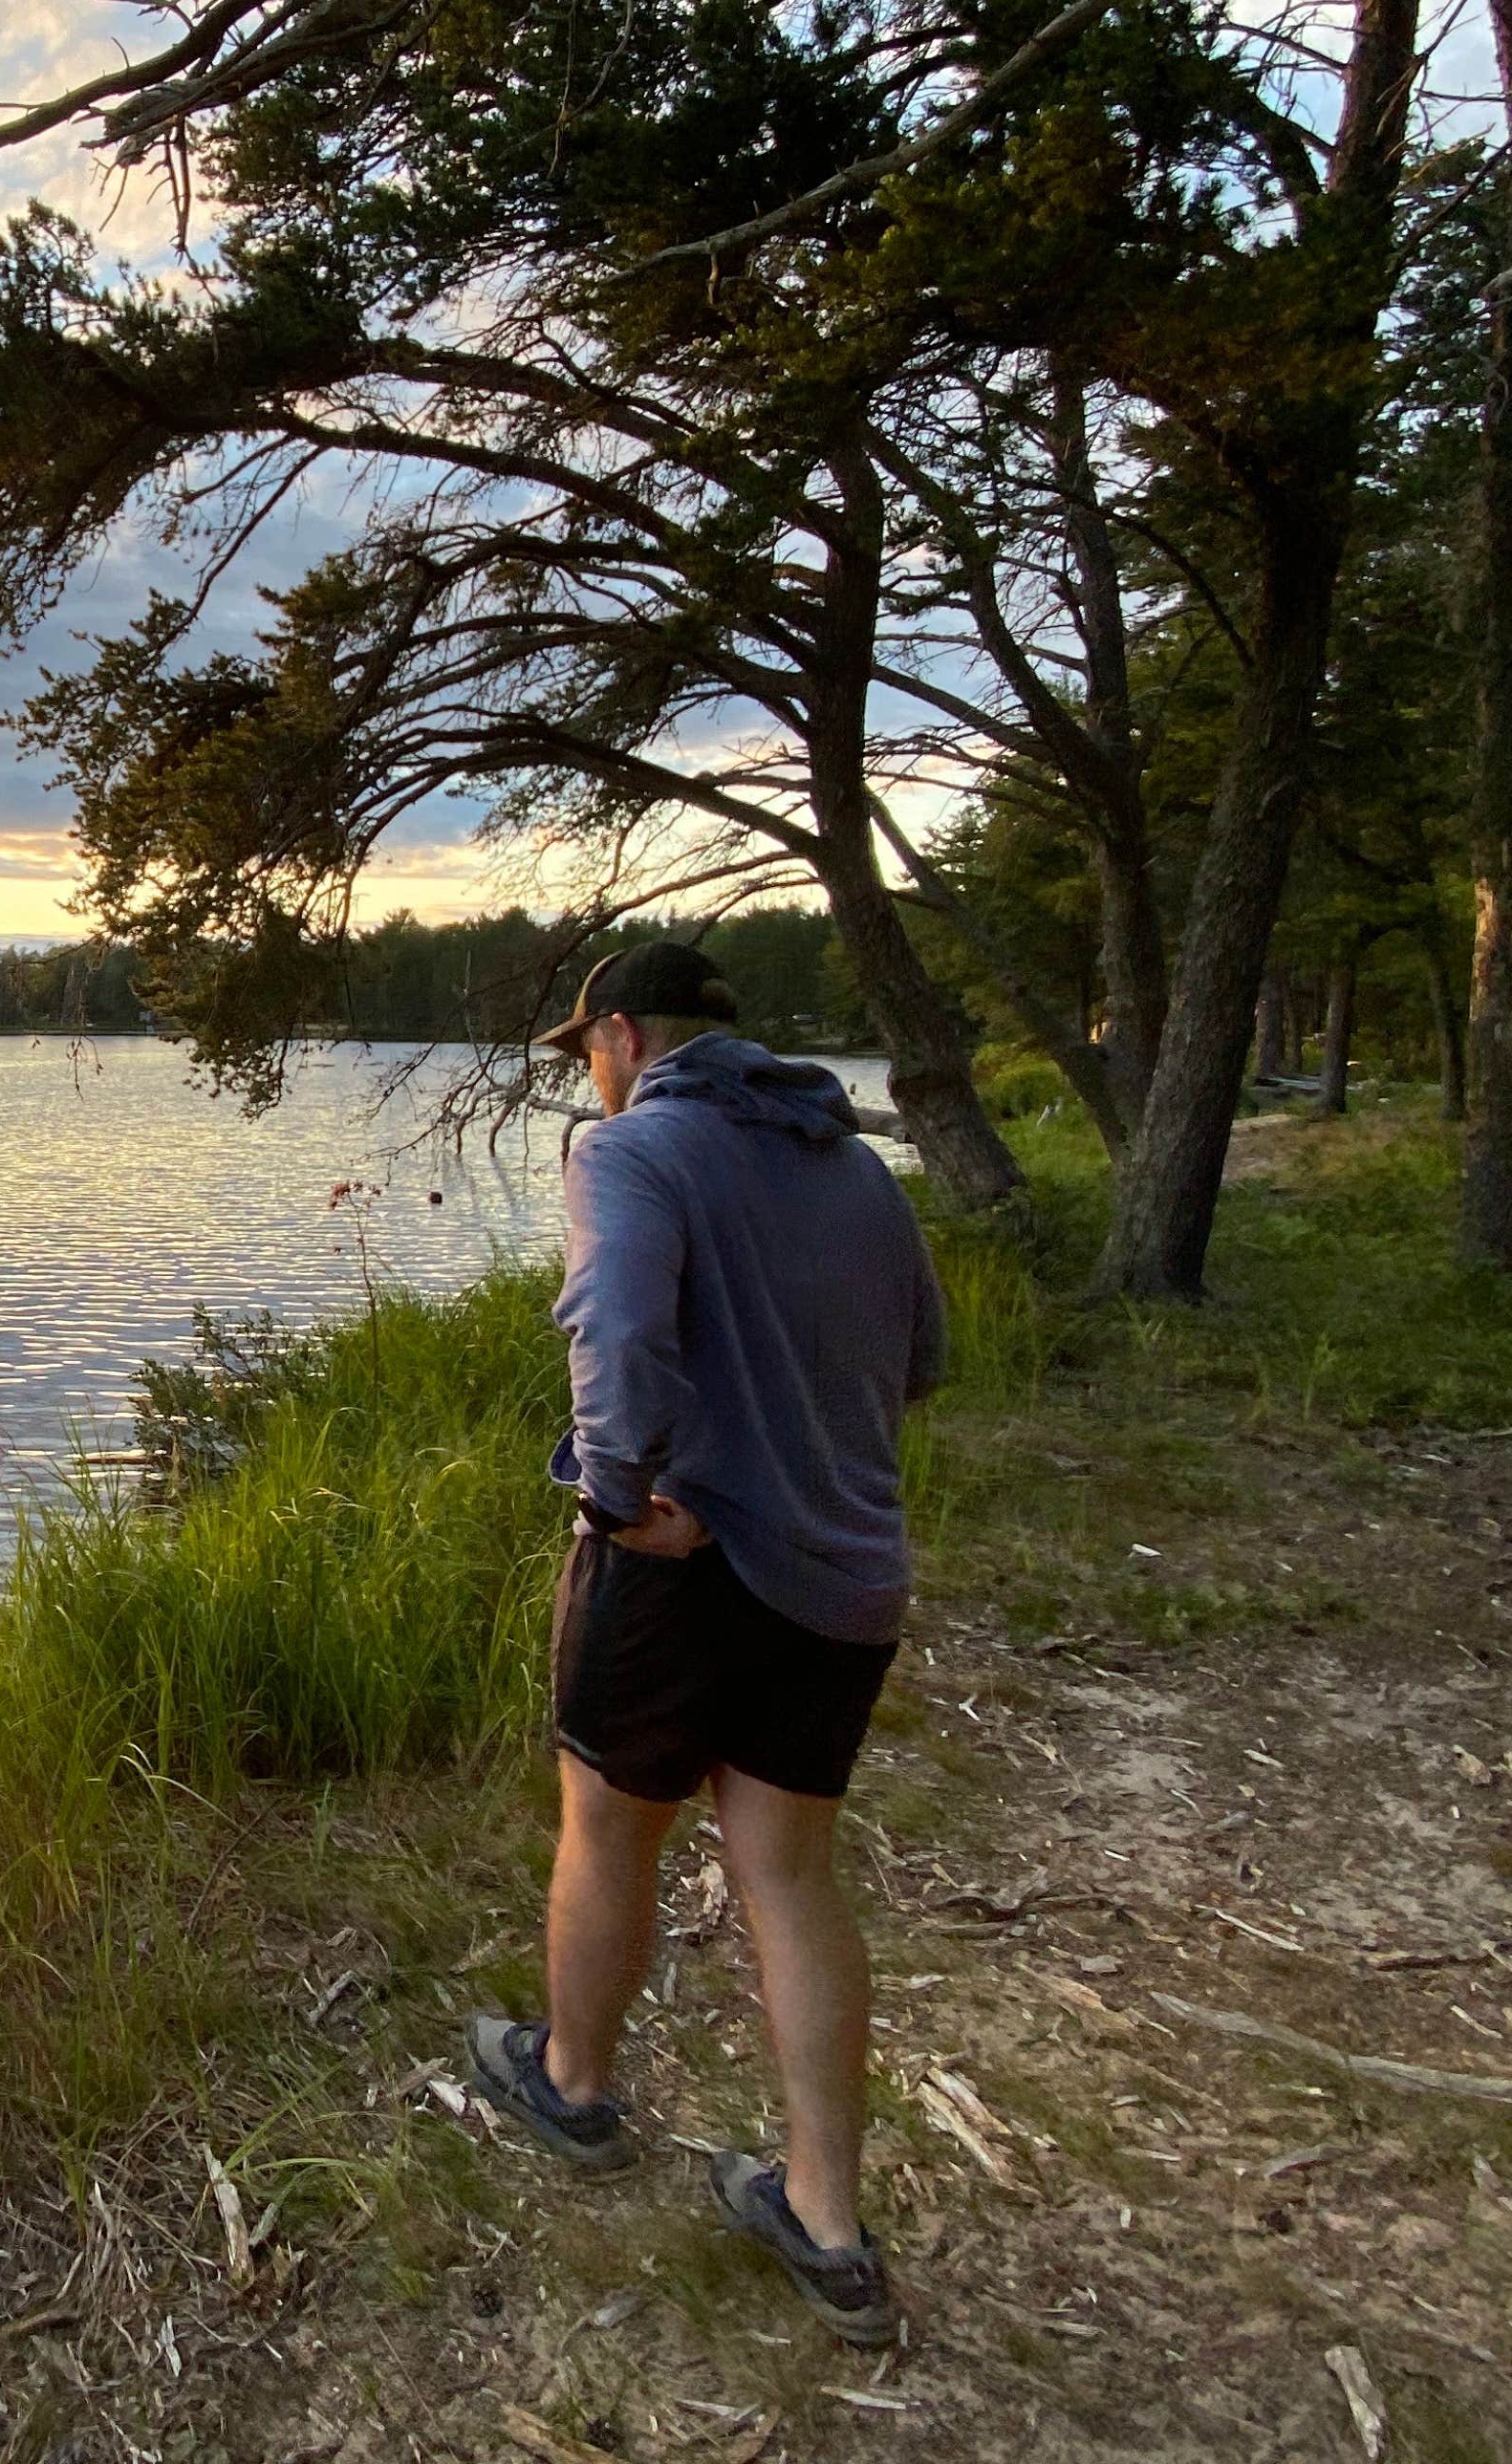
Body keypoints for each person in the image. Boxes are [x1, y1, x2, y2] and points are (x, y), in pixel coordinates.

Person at [467, 939, 946, 2347]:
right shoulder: (853, 1163)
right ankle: (827, 2220)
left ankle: (574, 2085)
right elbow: (916, 1361)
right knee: (790, 1876)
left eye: (590, 1057)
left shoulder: (628, 1153)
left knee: (607, 1828)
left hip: (684, 1567)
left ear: (621, 1037)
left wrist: (614, 1505)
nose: (591, 1083)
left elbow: (611, 1340)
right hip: (843, 1573)